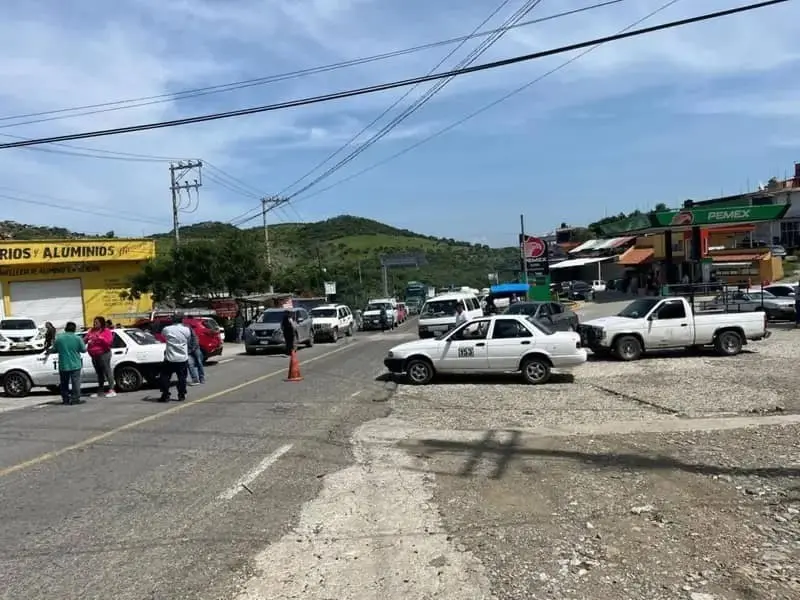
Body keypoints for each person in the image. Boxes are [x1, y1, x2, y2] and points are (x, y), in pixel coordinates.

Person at [48, 321, 86, 405]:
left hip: (63, 364)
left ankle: (65, 399)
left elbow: (54, 349)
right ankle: (75, 399)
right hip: (75, 364)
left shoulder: (59, 338)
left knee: (64, 383)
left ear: (65, 328)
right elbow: (83, 350)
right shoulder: (77, 338)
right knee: (75, 383)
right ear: (74, 329)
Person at [159, 313, 192, 402]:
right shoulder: (186, 330)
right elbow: (188, 339)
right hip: (182, 358)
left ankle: (165, 395)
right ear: (182, 320)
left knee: (165, 377)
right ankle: (181, 394)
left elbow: (163, 336)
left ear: (172, 320)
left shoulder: (167, 329)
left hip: (170, 357)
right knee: (182, 377)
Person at [85, 315, 116, 398]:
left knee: (107, 371)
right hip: (94, 355)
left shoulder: (106, 331)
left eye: (97, 322)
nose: (95, 324)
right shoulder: (91, 330)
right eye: (94, 322)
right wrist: (87, 339)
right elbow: (85, 339)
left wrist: (101, 338)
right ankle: (100, 391)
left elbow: (109, 343)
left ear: (101, 323)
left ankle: (111, 390)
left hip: (104, 353)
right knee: (99, 373)